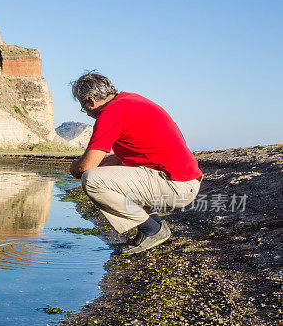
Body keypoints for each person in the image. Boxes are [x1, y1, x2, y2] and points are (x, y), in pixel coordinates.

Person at [69, 72, 202, 255]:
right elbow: (119, 158)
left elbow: (85, 168)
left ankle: (152, 230)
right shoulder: (130, 101)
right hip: (183, 181)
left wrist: (74, 166)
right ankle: (153, 223)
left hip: (176, 185)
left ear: (91, 100)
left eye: (83, 107)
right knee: (110, 175)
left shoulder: (110, 113)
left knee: (91, 180)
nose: (87, 113)